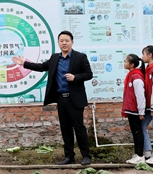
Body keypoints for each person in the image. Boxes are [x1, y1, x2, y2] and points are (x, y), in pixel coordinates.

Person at [13, 31, 93, 165]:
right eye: (61, 40)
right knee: (65, 129)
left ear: (72, 42)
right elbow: (41, 67)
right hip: (61, 99)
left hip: (75, 99)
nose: (64, 43)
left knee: (79, 128)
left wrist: (75, 77)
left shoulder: (80, 57)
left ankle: (86, 156)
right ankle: (69, 157)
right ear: (58, 43)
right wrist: (24, 63)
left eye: (67, 40)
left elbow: (88, 74)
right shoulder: (55, 58)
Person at [121, 54, 147, 165]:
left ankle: (140, 155)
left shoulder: (136, 77)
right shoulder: (131, 76)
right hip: (131, 109)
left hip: (135, 110)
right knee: (135, 132)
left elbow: (140, 95)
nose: (124, 63)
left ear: (132, 65)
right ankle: (137, 154)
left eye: (126, 61)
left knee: (137, 132)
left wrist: (141, 111)